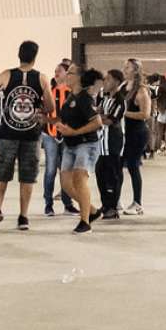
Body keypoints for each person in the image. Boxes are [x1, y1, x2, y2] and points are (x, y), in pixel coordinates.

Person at [0, 41, 46, 231]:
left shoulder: (7, 74)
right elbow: (50, 106)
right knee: (27, 176)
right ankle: (23, 216)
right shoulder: (41, 78)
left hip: (8, 132)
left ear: (19, 55)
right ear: (35, 56)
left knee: (2, 172)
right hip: (31, 134)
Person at [58, 66, 104, 233]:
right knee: (65, 183)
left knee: (79, 179)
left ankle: (85, 222)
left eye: (69, 73)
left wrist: (75, 132)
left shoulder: (85, 98)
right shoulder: (69, 97)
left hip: (86, 144)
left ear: (78, 77)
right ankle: (91, 210)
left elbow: (97, 123)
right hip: (70, 145)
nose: (66, 75)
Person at [42, 59, 76, 217]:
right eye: (55, 71)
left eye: (59, 71)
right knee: (50, 170)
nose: (56, 73)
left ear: (67, 74)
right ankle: (48, 204)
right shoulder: (49, 91)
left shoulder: (73, 93)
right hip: (50, 135)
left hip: (67, 136)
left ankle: (67, 204)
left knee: (66, 171)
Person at [96, 68, 128, 219]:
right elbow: (99, 113)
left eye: (108, 79)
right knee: (100, 172)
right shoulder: (105, 98)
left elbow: (110, 120)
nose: (105, 82)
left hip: (113, 142)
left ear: (116, 82)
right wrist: (100, 115)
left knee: (113, 174)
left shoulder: (120, 100)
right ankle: (106, 203)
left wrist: (98, 117)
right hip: (102, 143)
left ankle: (113, 206)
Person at [120, 59, 150, 215]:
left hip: (137, 133)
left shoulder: (141, 90)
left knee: (133, 166)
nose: (124, 69)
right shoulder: (123, 87)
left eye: (128, 67)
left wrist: (124, 113)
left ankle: (138, 203)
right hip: (124, 132)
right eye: (124, 66)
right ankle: (116, 201)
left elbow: (145, 114)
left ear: (136, 70)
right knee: (118, 166)